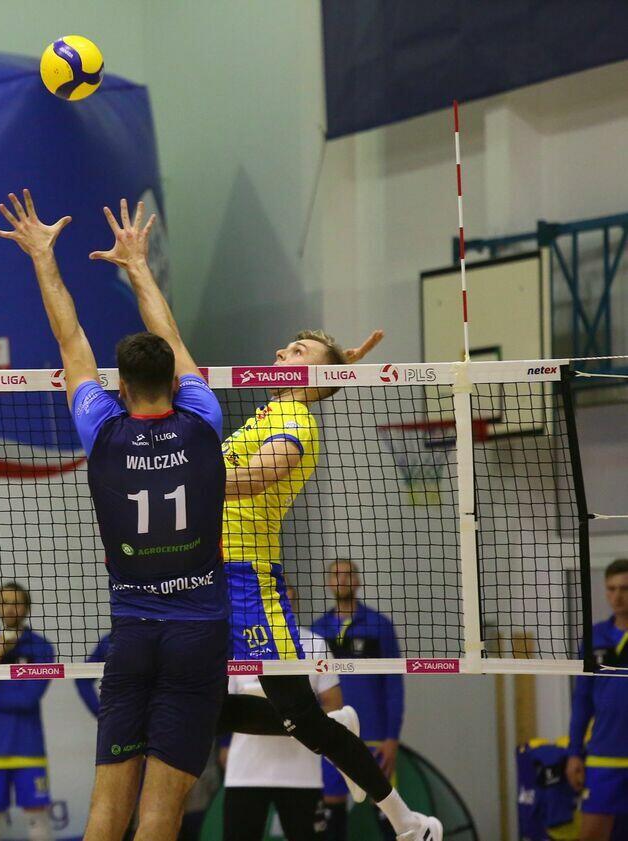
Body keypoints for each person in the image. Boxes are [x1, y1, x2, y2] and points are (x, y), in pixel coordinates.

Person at [0, 190, 230, 841]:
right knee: (161, 812)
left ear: (120, 388)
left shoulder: (102, 429)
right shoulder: (204, 419)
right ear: (176, 382)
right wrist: (138, 265)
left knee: (106, 809)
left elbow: (70, 339)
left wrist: (43, 256)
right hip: (198, 636)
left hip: (132, 635)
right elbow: (170, 339)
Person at [207, 309, 444, 841]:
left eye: (296, 352)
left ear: (311, 378)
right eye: (285, 348)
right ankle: (334, 727)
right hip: (209, 581)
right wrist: (337, 363)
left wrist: (186, 474)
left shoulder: (297, 422)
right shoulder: (271, 409)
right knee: (202, 710)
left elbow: (258, 477)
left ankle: (407, 823)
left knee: (299, 715)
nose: (280, 353)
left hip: (247, 581)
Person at [220, 585, 343, 841]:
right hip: (246, 773)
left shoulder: (314, 644)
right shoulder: (237, 643)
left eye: (282, 591)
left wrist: (297, 717)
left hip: (301, 775)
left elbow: (334, 706)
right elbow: (225, 706)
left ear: (291, 601)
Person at [312, 559, 404, 840]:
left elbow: (394, 686)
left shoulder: (380, 626)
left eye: (348, 574)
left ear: (358, 581)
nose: (342, 579)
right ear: (329, 583)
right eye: (336, 575)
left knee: (390, 814)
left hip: (374, 739)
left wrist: (392, 738)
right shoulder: (317, 631)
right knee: (332, 817)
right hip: (331, 737)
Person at [0, 581, 57, 841]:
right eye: (5, 602)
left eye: (17, 603)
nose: (10, 609)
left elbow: (29, 699)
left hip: (28, 746)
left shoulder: (41, 647)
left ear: (27, 608)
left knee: (37, 820)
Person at [566, 558, 628, 841]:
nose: (617, 596)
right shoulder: (594, 637)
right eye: (611, 589)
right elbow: (582, 700)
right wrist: (574, 752)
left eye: (625, 589)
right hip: (604, 756)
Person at [75, 633, 111, 718]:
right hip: (120, 717)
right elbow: (82, 678)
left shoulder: (110, 640)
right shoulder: (109, 642)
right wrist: (100, 713)